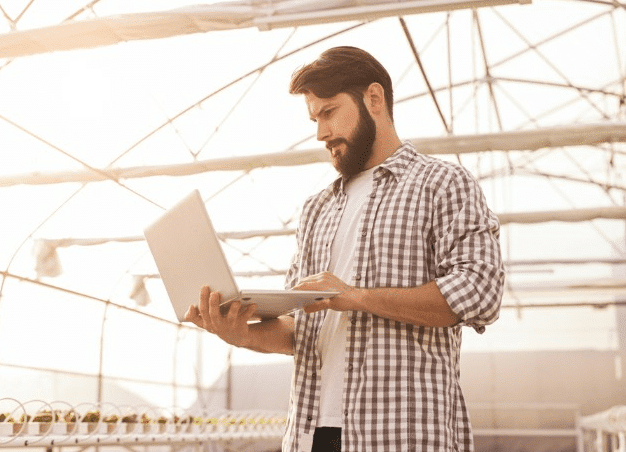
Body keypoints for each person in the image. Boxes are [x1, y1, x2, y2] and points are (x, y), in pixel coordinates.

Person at [185, 46, 504, 452]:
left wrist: (355, 297)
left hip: (401, 435)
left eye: (329, 112)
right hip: (312, 435)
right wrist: (241, 334)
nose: (320, 133)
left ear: (374, 98)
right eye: (314, 118)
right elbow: (303, 331)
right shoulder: (317, 209)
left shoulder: (442, 184)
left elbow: (480, 293)